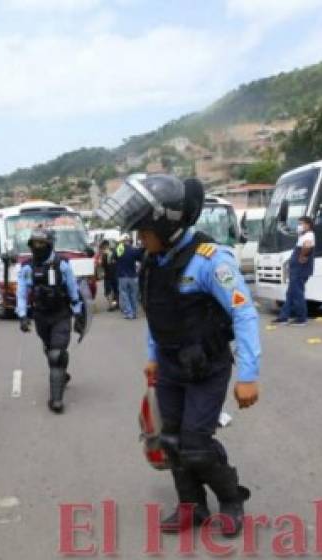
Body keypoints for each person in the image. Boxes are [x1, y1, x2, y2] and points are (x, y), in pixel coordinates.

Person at [97, 174, 261, 537]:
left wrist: (248, 375)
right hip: (170, 367)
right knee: (169, 442)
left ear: (164, 226)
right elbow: (158, 313)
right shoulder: (154, 261)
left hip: (207, 366)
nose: (139, 239)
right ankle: (193, 507)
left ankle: (232, 500)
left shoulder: (210, 261)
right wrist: (152, 355)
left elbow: (244, 313)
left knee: (197, 446)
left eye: (143, 232)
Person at [16, 228, 86, 413]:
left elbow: (73, 288)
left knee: (57, 354)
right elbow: (22, 293)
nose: (38, 247)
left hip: (61, 314)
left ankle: (56, 400)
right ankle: (62, 375)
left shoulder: (62, 264)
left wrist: (78, 312)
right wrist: (22, 316)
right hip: (41, 317)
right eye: (35, 244)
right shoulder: (27, 267)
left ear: (49, 245)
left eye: (41, 244)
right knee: (50, 350)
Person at [273, 215, 315, 326]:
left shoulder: (309, 235)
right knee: (291, 294)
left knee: (297, 294)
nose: (299, 226)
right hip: (296, 269)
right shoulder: (303, 235)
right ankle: (283, 317)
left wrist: (302, 256)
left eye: (301, 224)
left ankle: (301, 319)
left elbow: (307, 246)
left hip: (300, 270)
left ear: (308, 225)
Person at [114, 235, 143, 319]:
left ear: (122, 241)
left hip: (122, 276)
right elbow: (140, 259)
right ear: (130, 241)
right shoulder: (134, 250)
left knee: (124, 294)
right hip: (133, 276)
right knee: (134, 295)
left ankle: (129, 313)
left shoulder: (119, 249)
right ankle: (134, 313)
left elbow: (114, 258)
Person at [98, 240, 119, 311]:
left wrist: (100, 262)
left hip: (108, 276)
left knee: (108, 292)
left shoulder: (104, 254)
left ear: (104, 246)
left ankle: (112, 306)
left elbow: (102, 265)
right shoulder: (114, 252)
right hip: (115, 274)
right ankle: (116, 304)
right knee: (115, 291)